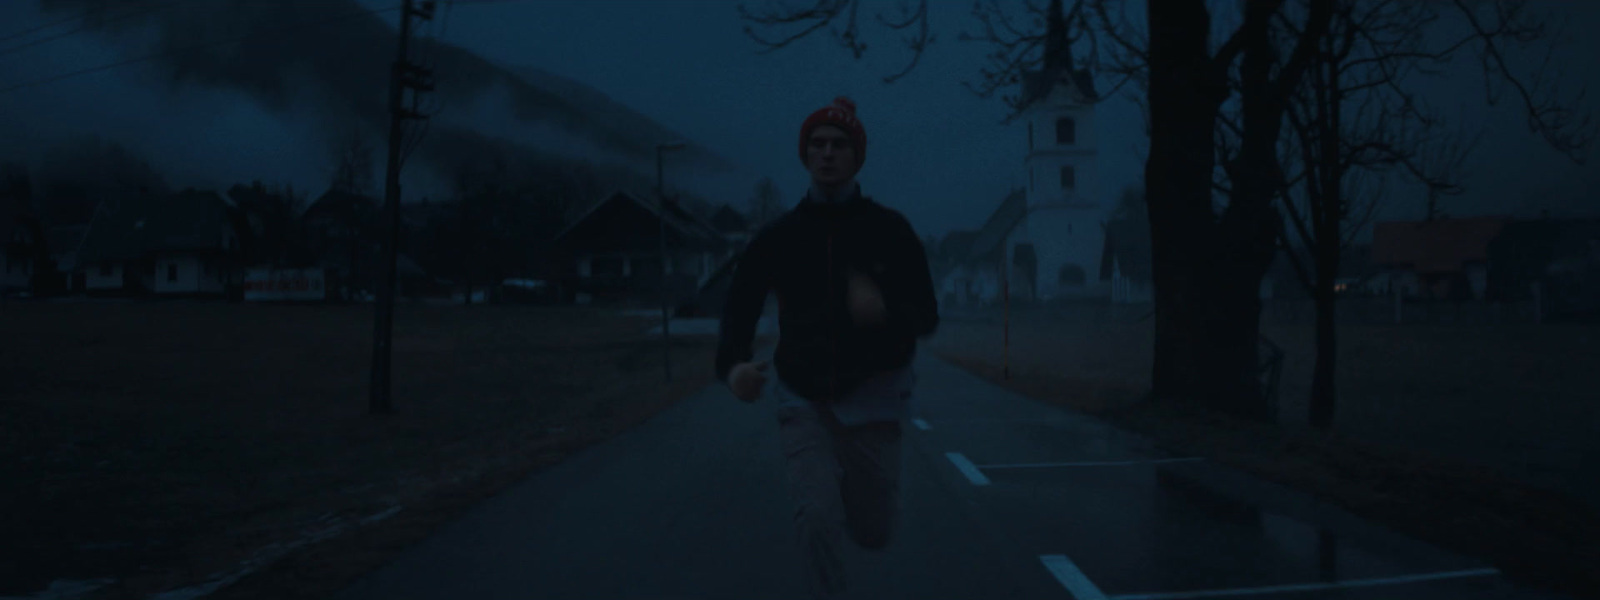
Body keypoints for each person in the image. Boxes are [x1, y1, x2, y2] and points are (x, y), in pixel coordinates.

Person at [714, 96, 940, 598]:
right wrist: (732, 368)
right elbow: (740, 305)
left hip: (876, 398)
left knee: (874, 532)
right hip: (804, 396)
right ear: (805, 156)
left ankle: (863, 499)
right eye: (817, 145)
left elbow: (927, 316)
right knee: (815, 517)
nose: (827, 153)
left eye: (839, 145)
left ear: (857, 156)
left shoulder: (891, 231)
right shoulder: (779, 237)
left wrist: (883, 313)